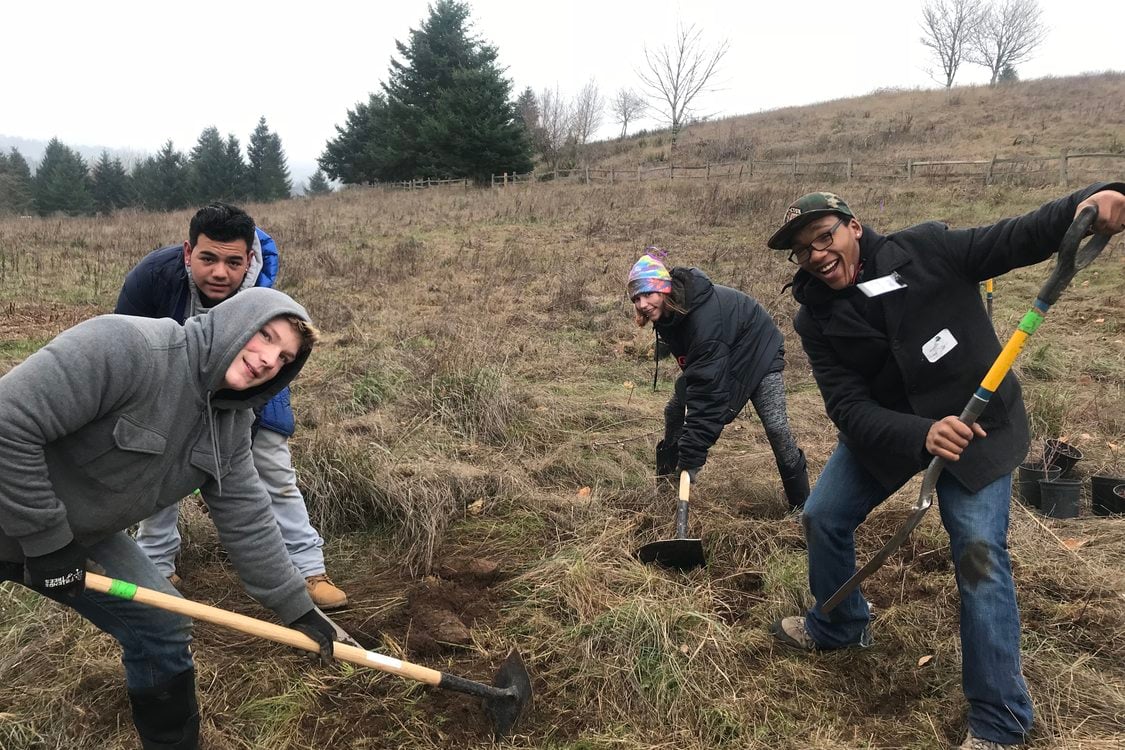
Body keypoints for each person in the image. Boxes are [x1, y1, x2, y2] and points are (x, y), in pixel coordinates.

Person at [765, 185, 1125, 749]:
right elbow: (847, 407)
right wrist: (920, 434)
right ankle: (838, 625)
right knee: (823, 516)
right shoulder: (815, 318)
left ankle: (1000, 721)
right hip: (893, 433)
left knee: (979, 554)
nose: (816, 254)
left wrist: (1092, 202)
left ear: (853, 227)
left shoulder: (927, 250)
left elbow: (1014, 236)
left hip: (977, 426)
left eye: (823, 236)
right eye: (803, 249)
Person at [0, 287, 346, 750]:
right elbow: (7, 422)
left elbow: (248, 517)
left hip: (75, 534)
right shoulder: (126, 347)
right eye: (265, 336)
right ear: (232, 322)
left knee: (160, 625)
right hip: (32, 515)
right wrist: (48, 544)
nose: (268, 359)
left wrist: (297, 608)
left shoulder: (231, 424)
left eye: (283, 358)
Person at [115, 202, 347, 610]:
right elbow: (127, 343)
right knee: (158, 461)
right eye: (208, 258)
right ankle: (156, 564)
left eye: (233, 262)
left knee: (272, 465)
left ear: (249, 259)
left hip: (253, 379)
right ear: (189, 252)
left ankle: (307, 569)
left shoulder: (264, 292)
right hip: (168, 379)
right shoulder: (153, 278)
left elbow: (279, 357)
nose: (220, 273)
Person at [627, 247, 809, 509]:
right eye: (636, 298)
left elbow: (707, 395)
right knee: (674, 411)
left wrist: (691, 460)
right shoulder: (668, 314)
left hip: (759, 350)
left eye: (647, 294)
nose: (642, 304)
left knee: (776, 428)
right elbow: (702, 374)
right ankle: (667, 492)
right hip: (722, 351)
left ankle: (803, 507)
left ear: (664, 289)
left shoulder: (702, 322)